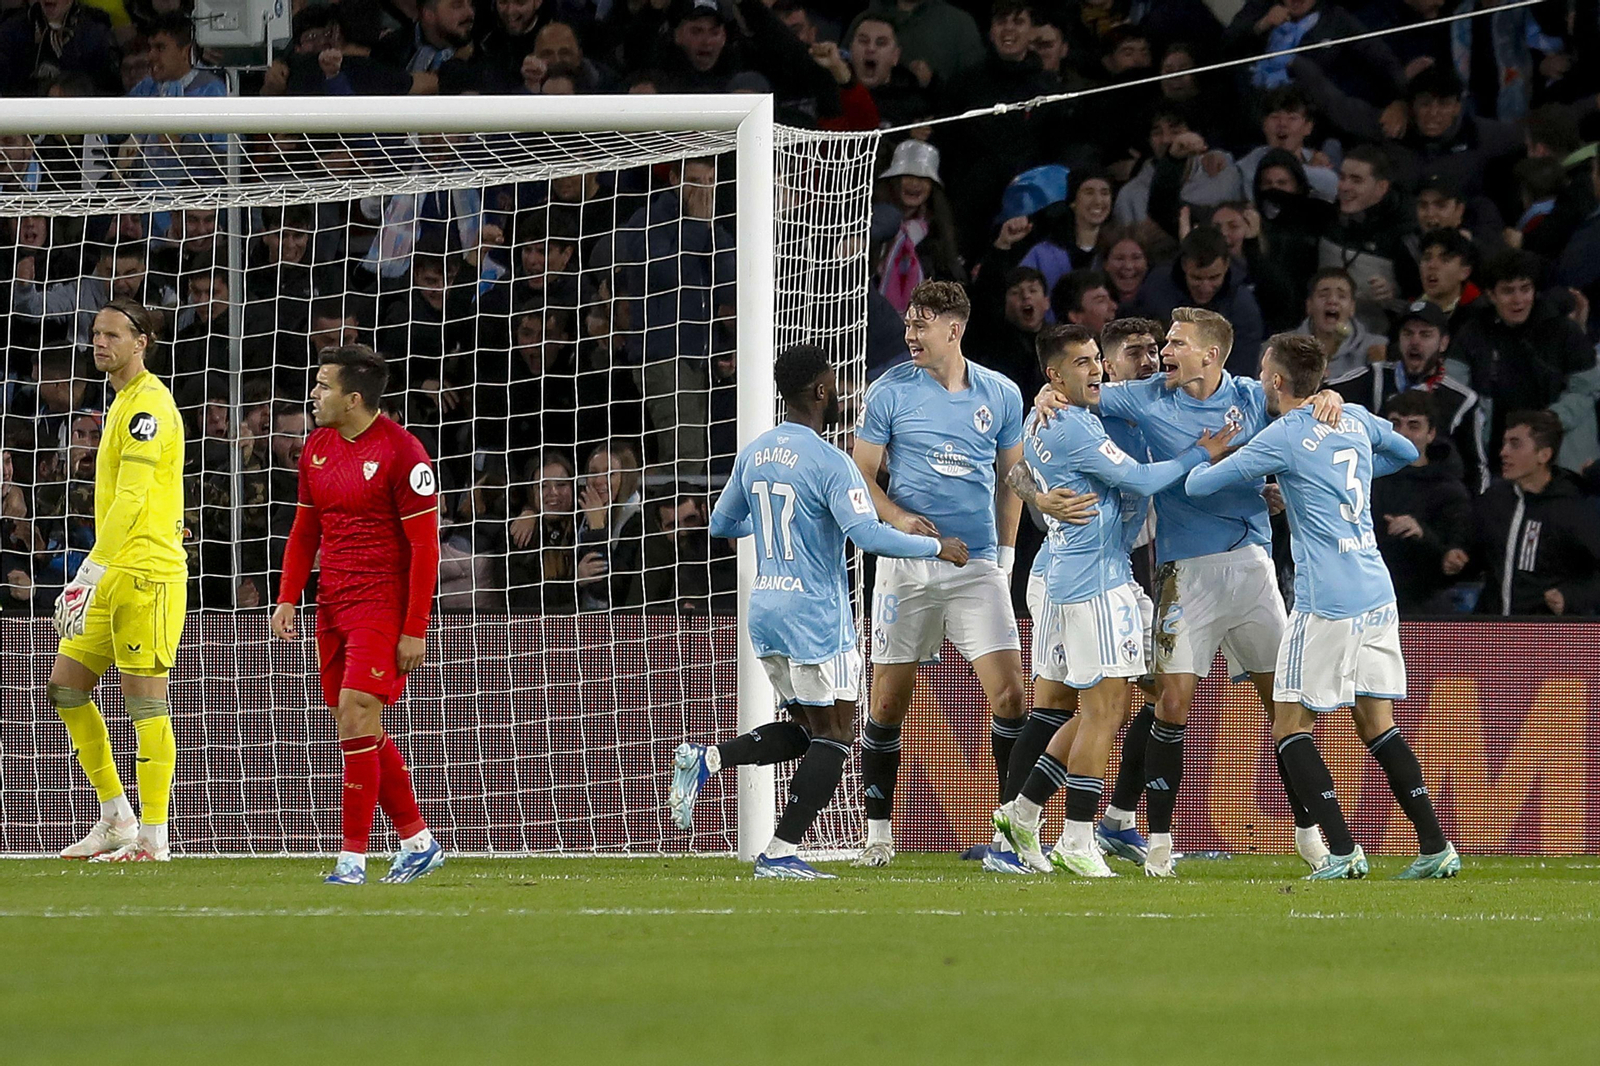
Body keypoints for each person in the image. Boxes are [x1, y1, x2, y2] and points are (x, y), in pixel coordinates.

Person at [1034, 308, 1349, 876]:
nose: (1163, 352)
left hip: (1252, 567)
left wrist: (1332, 399)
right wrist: (1043, 395)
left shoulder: (1253, 396)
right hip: (1182, 573)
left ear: (1212, 354)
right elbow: (1074, 397)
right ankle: (1156, 841)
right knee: (1169, 704)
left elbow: (1303, 402)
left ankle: (1310, 834)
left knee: (1287, 705)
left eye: (1175, 342)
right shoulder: (1147, 396)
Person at [668, 344, 968, 879]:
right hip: (813, 614)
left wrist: (778, 531)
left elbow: (721, 525)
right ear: (820, 391)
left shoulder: (756, 451)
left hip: (766, 608)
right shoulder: (832, 462)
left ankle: (710, 759)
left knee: (809, 729)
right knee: (837, 733)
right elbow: (866, 534)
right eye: (835, 384)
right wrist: (934, 547)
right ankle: (782, 850)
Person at [1186, 331, 1460, 880]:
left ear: (1278, 381)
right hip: (1376, 592)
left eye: (1264, 371)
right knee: (1376, 721)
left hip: (1325, 599)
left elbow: (1199, 486)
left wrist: (1212, 453)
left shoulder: (1284, 435)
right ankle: (1435, 846)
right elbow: (1407, 451)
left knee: (1290, 724)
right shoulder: (1352, 418)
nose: (1261, 379)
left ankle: (1341, 851)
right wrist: (1332, 474)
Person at [993, 324, 1235, 876]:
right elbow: (1136, 479)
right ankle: (1071, 835)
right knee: (1083, 707)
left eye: (1158, 351)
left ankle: (1032, 814)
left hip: (1096, 574)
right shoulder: (1075, 417)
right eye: (1130, 355)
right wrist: (1203, 451)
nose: (1148, 362)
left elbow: (1022, 463)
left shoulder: (1131, 410)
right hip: (1087, 579)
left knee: (1129, 698)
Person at [851, 280, 1026, 867]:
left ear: (954, 329)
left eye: (920, 326)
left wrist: (1004, 556)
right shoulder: (888, 392)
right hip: (907, 567)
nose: (908, 335)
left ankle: (1010, 837)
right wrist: (901, 518)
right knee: (887, 705)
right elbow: (863, 476)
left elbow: (1013, 480)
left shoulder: (1000, 393)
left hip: (976, 566)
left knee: (1010, 697)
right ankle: (878, 835)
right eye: (907, 324)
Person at [271, 344, 445, 885]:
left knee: (354, 714)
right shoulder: (317, 448)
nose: (314, 394)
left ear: (352, 398)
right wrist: (288, 594)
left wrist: (414, 627)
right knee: (359, 724)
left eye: (323, 386)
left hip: (383, 604)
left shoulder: (404, 453)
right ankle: (419, 841)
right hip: (333, 603)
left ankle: (352, 859)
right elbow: (306, 528)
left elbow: (426, 548)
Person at [47, 299, 185, 863]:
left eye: (111, 334)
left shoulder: (147, 406)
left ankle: (155, 837)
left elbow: (132, 497)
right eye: (95, 333)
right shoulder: (121, 402)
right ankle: (116, 817)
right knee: (66, 688)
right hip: (114, 570)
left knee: (146, 703)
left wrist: (90, 569)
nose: (99, 342)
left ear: (141, 342)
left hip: (146, 572)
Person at [1444, 411, 1600, 617]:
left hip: (1548, 637)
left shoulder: (1575, 507)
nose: (1503, 452)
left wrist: (1571, 598)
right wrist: (1457, 556)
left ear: (1544, 455)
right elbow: (1473, 550)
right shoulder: (1494, 499)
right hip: (1492, 632)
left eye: (1515, 444)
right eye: (1504, 443)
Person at [1375, 391, 1472, 614]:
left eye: (1414, 426)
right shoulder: (1364, 480)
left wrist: (1422, 535)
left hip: (1423, 609)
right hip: (1368, 606)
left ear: (1431, 434)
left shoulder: (1449, 491)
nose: (1402, 433)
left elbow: (1456, 562)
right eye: (1395, 424)